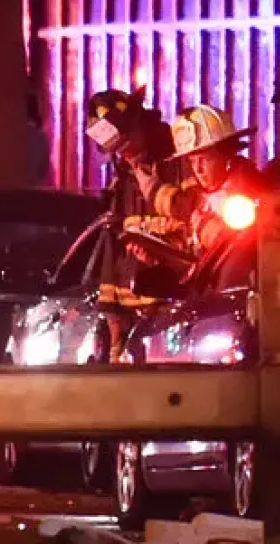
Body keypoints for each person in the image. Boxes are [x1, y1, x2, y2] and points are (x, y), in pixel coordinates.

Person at [84, 88, 185, 363]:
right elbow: (113, 246)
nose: (126, 155)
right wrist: (112, 312)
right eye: (119, 150)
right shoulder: (125, 177)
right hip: (132, 314)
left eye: (128, 144)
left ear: (141, 126)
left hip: (173, 307)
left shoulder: (178, 163)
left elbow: (189, 225)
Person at [132, 104, 267, 260]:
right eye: (192, 161)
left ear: (226, 154)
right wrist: (156, 256)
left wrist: (203, 223)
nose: (198, 169)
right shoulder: (193, 193)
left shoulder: (251, 191)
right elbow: (189, 250)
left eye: (204, 159)